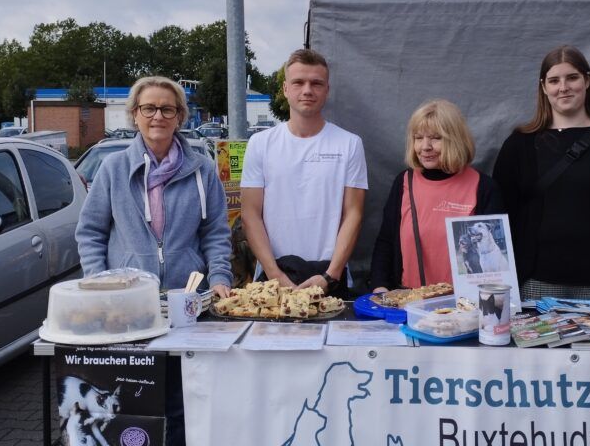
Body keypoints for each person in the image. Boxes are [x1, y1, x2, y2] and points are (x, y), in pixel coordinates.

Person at [76, 76, 232, 446]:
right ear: (135, 115)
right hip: (128, 310)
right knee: (134, 403)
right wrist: (101, 285)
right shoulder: (113, 169)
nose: (157, 116)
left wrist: (221, 276)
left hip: (188, 306)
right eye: (149, 108)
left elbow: (215, 234)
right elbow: (91, 233)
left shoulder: (203, 170)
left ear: (181, 116)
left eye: (167, 108)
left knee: (182, 402)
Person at [492, 45, 590, 303]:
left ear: (587, 80)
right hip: (534, 285)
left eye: (572, 77)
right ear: (544, 87)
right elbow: (500, 221)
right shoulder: (519, 145)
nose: (563, 87)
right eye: (554, 80)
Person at [241, 48, 367, 297]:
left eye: (316, 83)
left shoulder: (350, 143)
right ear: (286, 89)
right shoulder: (260, 143)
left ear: (327, 90)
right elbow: (250, 213)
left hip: (329, 274)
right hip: (274, 273)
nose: (307, 90)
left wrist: (331, 275)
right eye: (298, 82)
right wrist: (275, 273)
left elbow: (354, 213)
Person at [370, 99, 504, 292]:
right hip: (410, 299)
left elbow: (493, 253)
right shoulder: (404, 182)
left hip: (463, 303)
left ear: (455, 139)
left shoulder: (483, 187)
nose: (425, 146)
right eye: (418, 137)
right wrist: (379, 287)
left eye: (435, 138)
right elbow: (386, 241)